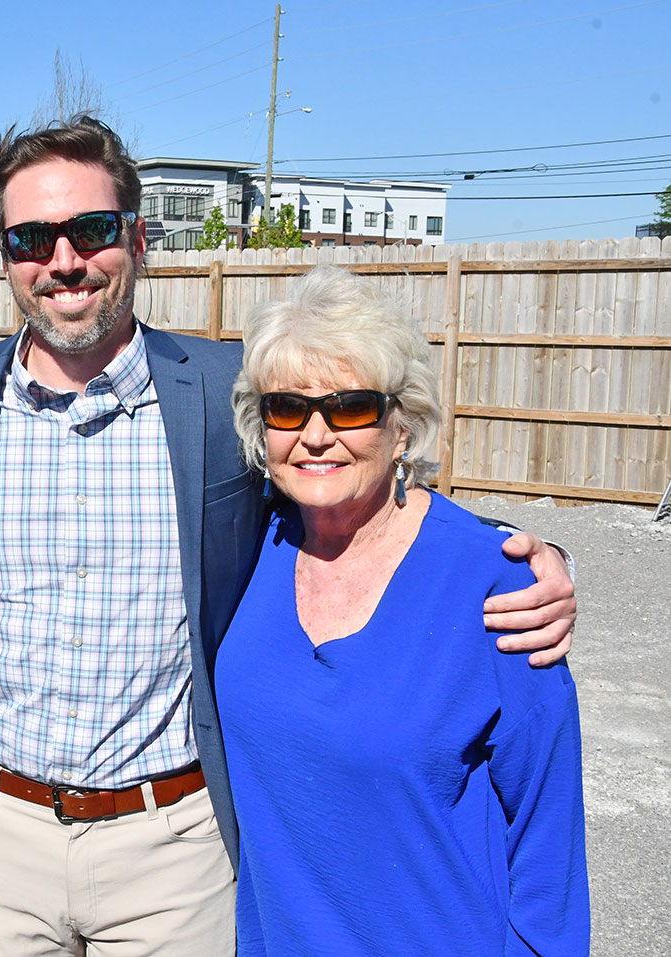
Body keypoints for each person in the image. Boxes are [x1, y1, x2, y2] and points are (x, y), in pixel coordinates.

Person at [0, 115, 579, 954]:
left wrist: (521, 555)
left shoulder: (228, 393)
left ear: (138, 237)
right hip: (0, 838)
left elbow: (351, 477)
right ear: (3, 254)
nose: (65, 259)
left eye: (92, 229)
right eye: (31, 238)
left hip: (173, 848)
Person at [217, 264, 588, 952]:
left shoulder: (498, 588)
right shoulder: (254, 544)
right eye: (287, 409)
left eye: (352, 406)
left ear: (403, 425)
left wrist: (555, 558)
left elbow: (548, 847)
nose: (316, 434)